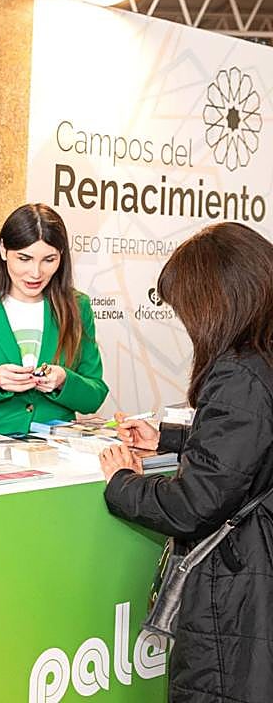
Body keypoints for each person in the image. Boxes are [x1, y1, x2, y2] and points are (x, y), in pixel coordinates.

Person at [101, 223, 273, 703]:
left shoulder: (239, 373)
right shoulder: (262, 359)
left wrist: (122, 483)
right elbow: (252, 442)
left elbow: (193, 504)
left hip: (237, 591)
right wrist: (172, 439)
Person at [0, 203, 108, 435]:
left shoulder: (77, 307)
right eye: (24, 258)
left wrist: (65, 380)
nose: (36, 273)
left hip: (55, 449)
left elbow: (94, 395)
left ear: (61, 256)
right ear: (4, 250)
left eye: (49, 259)